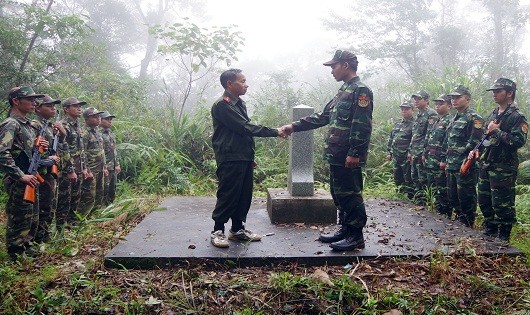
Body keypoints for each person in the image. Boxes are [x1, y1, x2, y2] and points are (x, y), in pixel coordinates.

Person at [281, 49, 373, 251]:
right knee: (339, 193)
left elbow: (362, 125)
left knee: (350, 193)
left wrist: (354, 153)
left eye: (334, 66)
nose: (331, 70)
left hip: (348, 155)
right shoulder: (343, 91)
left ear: (345, 66)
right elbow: (323, 117)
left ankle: (356, 236)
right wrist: (293, 127)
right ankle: (345, 230)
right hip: (336, 153)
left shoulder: (361, 90)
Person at [210, 68, 285, 248]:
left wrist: (249, 156)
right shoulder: (223, 105)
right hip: (229, 157)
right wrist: (275, 132)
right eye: (242, 81)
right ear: (230, 84)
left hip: (242, 156)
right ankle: (217, 230)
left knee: (244, 195)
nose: (246, 84)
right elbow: (244, 127)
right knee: (228, 194)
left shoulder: (239, 104)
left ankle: (237, 229)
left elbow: (244, 135)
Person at [476, 78, 527, 242]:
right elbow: (486, 137)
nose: (494, 94)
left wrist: (497, 132)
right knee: (484, 199)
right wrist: (477, 150)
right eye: (494, 92)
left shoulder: (517, 117)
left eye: (498, 91)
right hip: (488, 163)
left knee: (502, 203)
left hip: (504, 167)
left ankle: (503, 235)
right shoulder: (493, 114)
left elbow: (518, 141)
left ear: (510, 93)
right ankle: (489, 229)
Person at [0, 86, 47, 259]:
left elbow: (25, 151)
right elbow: (2, 153)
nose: (34, 103)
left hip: (30, 177)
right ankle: (16, 254)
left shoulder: (26, 125)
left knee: (31, 216)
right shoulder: (11, 124)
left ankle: (27, 247)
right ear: (16, 101)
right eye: (30, 99)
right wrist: (20, 175)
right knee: (19, 217)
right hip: (19, 179)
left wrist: (39, 146)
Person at [441, 85, 484, 227]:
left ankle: (467, 226)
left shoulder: (474, 118)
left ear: (467, 98)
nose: (454, 100)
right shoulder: (454, 118)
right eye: (452, 97)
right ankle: (460, 224)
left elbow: (475, 143)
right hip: (452, 165)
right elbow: (449, 143)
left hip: (465, 165)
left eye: (458, 97)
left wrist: (465, 161)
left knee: (466, 197)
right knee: (453, 197)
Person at [31, 95, 66, 243]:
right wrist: (48, 160)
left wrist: (62, 134)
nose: (53, 108)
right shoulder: (34, 125)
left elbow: (58, 147)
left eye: (54, 105)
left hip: (49, 173)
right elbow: (31, 153)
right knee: (39, 207)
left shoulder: (50, 126)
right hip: (38, 173)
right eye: (48, 105)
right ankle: (36, 238)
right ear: (38, 108)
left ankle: (44, 235)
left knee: (50, 205)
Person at [56, 97, 89, 228]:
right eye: (75, 106)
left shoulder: (77, 125)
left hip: (78, 168)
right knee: (64, 199)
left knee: (76, 197)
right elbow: (63, 149)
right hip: (67, 170)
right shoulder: (63, 125)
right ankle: (60, 227)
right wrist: (70, 170)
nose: (79, 108)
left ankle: (71, 223)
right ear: (66, 109)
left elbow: (81, 150)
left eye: (79, 106)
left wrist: (84, 167)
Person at [423, 94, 452, 217]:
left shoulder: (449, 121)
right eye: (437, 104)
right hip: (431, 160)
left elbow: (447, 143)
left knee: (443, 188)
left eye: (441, 104)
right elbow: (429, 139)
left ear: (449, 106)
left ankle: (445, 213)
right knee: (433, 187)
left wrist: (444, 159)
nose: (438, 106)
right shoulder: (436, 121)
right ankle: (436, 212)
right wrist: (425, 154)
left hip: (440, 161)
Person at [408, 90, 437, 206]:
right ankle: (418, 200)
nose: (416, 101)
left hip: (422, 152)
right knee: (415, 176)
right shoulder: (418, 115)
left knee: (423, 178)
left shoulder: (431, 114)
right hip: (415, 151)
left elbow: (430, 135)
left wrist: (424, 152)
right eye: (415, 99)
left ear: (426, 100)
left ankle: (425, 202)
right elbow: (415, 135)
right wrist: (410, 150)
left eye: (418, 99)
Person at [78, 107, 106, 217]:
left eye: (99, 116)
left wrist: (104, 167)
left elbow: (101, 151)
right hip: (91, 169)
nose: (98, 119)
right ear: (87, 119)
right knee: (88, 196)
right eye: (95, 117)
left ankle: (95, 217)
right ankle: (82, 218)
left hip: (100, 169)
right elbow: (82, 153)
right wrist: (87, 170)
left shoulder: (97, 133)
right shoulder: (84, 133)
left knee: (99, 194)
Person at [386, 100, 414, 199]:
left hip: (406, 156)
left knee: (408, 178)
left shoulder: (414, 124)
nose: (404, 111)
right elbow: (391, 138)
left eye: (407, 109)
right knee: (397, 177)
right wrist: (389, 152)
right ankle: (400, 196)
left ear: (412, 110)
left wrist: (410, 152)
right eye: (402, 109)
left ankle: (411, 197)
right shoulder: (397, 123)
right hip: (396, 155)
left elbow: (414, 140)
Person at [100, 111, 121, 206]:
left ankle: (110, 208)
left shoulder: (110, 133)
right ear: (100, 120)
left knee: (112, 189)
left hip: (112, 166)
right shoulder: (98, 133)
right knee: (104, 189)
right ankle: (102, 209)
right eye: (107, 119)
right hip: (104, 167)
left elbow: (114, 150)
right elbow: (100, 152)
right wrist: (104, 167)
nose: (110, 121)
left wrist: (117, 164)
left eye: (110, 119)